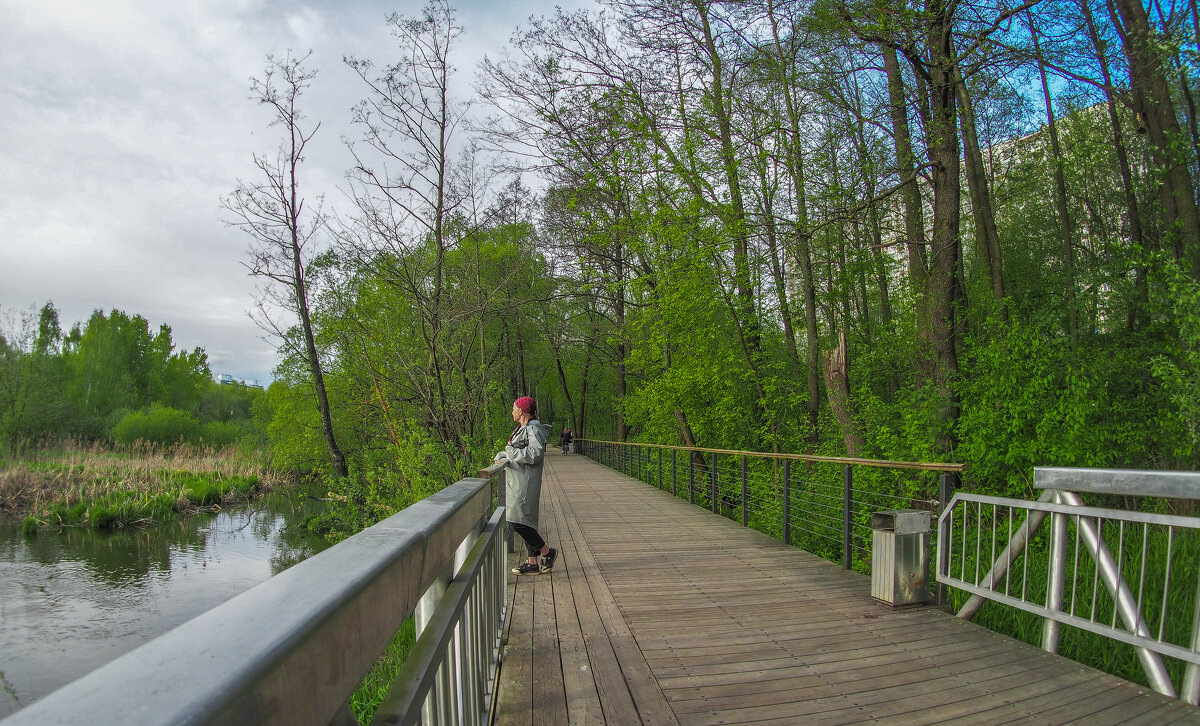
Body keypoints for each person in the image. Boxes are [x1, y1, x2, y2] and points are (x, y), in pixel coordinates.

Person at [495, 396, 558, 575]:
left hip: (525, 482)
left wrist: (509, 451)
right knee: (524, 521)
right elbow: (516, 450)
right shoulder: (524, 428)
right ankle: (532, 563)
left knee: (517, 521)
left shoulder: (532, 429)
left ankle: (547, 552)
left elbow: (535, 453)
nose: (512, 412)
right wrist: (503, 454)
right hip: (519, 481)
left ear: (521, 411)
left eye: (514, 408)